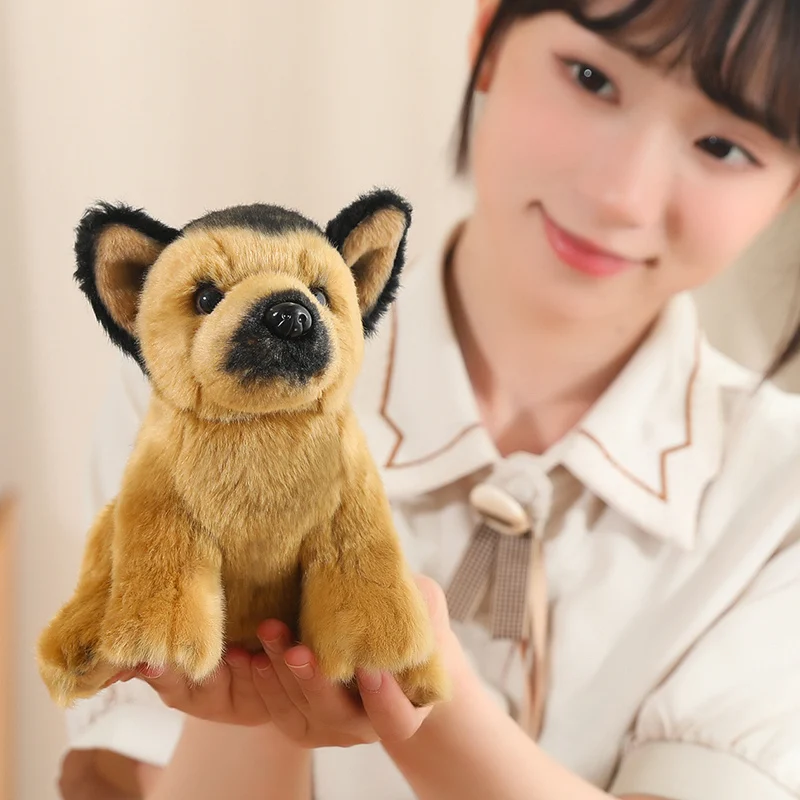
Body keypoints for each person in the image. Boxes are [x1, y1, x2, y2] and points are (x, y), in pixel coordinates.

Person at [59, 0, 800, 798]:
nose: (622, 193)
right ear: (489, 33)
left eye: (723, 145)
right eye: (591, 78)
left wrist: (420, 693)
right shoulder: (192, 381)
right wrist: (260, 678)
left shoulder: (780, 497)